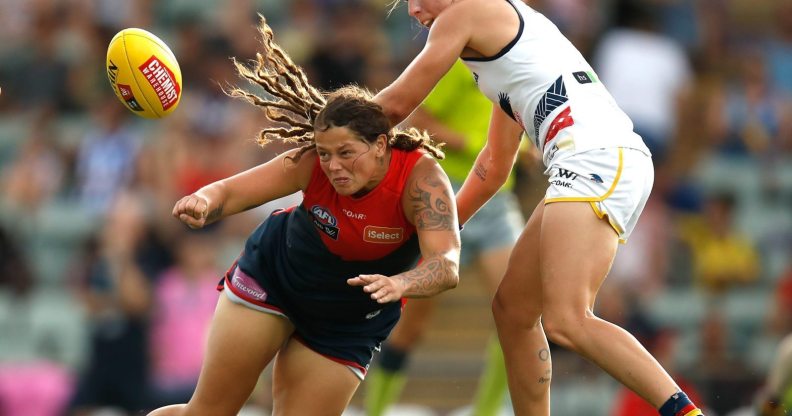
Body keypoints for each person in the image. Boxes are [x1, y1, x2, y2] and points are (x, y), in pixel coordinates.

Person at [371, 0, 705, 415]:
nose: (414, 10)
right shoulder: (505, 50)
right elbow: (493, 168)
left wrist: (325, 128)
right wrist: (436, 235)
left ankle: (687, 413)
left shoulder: (464, 12)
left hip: (595, 159)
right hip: (594, 161)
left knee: (568, 319)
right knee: (512, 311)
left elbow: (395, 107)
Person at [147, 22, 461, 416]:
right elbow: (229, 192)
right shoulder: (312, 161)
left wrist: (401, 282)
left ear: (381, 145)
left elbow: (446, 265)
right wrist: (201, 201)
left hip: (347, 320)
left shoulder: (422, 181)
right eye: (326, 154)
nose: (334, 166)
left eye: (347, 153)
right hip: (276, 279)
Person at [365, 60, 524, 416]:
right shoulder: (460, 65)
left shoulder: (520, 65)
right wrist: (474, 144)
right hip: (448, 196)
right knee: (411, 327)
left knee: (520, 316)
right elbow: (417, 119)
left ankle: (486, 411)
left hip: (498, 202)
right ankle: (375, 410)